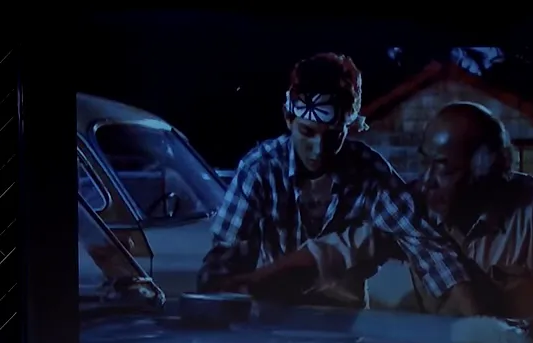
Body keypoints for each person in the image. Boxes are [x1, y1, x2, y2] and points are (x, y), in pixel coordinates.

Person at [307, 101, 533, 331]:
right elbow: (340, 248)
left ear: (486, 167)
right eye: (425, 162)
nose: (427, 179)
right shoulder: (411, 204)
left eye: (444, 166)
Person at [197, 53, 480, 314]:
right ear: (288, 118)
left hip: (345, 323)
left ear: (350, 127)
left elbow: (425, 244)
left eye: (333, 136)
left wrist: (476, 321)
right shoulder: (259, 170)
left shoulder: (370, 173)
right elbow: (224, 256)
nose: (318, 149)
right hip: (271, 320)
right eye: (307, 132)